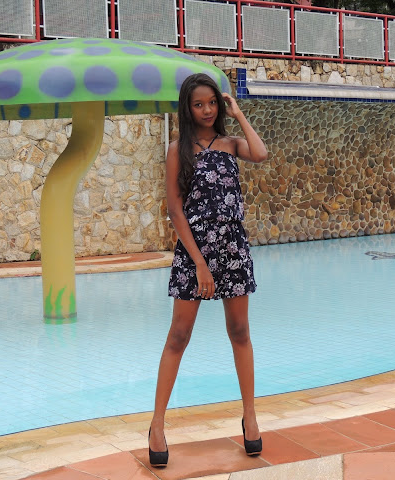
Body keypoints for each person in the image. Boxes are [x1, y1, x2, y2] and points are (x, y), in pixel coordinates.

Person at [148, 73, 268, 467]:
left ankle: (250, 416)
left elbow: (261, 153)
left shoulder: (231, 144)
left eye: (212, 103)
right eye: (199, 104)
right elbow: (175, 209)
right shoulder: (177, 150)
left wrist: (238, 114)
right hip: (193, 250)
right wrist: (199, 263)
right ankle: (157, 425)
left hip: (232, 247)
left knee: (240, 331)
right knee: (178, 335)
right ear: (187, 108)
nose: (207, 110)